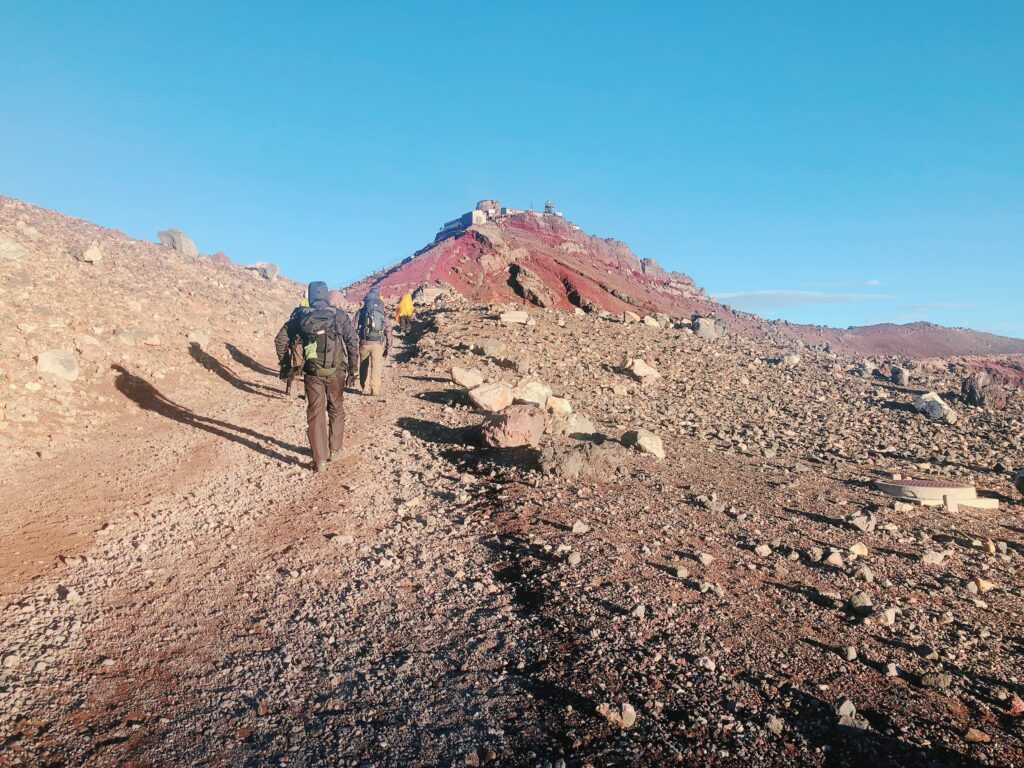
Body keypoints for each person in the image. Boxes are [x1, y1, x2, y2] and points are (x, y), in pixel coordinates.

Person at [274, 281, 359, 472]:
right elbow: (352, 341)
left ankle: (319, 459)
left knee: (316, 413)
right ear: (326, 296)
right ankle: (335, 450)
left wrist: (286, 365)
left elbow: (280, 340)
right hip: (337, 372)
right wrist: (353, 368)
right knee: (336, 408)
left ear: (311, 296)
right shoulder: (338, 315)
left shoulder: (301, 316)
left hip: (312, 373)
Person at [354, 287, 393, 398]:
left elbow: (353, 327)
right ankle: (375, 389)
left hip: (364, 342)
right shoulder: (382, 312)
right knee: (376, 366)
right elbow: (388, 329)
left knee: (363, 364)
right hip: (377, 343)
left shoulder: (361, 311)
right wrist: (388, 346)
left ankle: (364, 388)